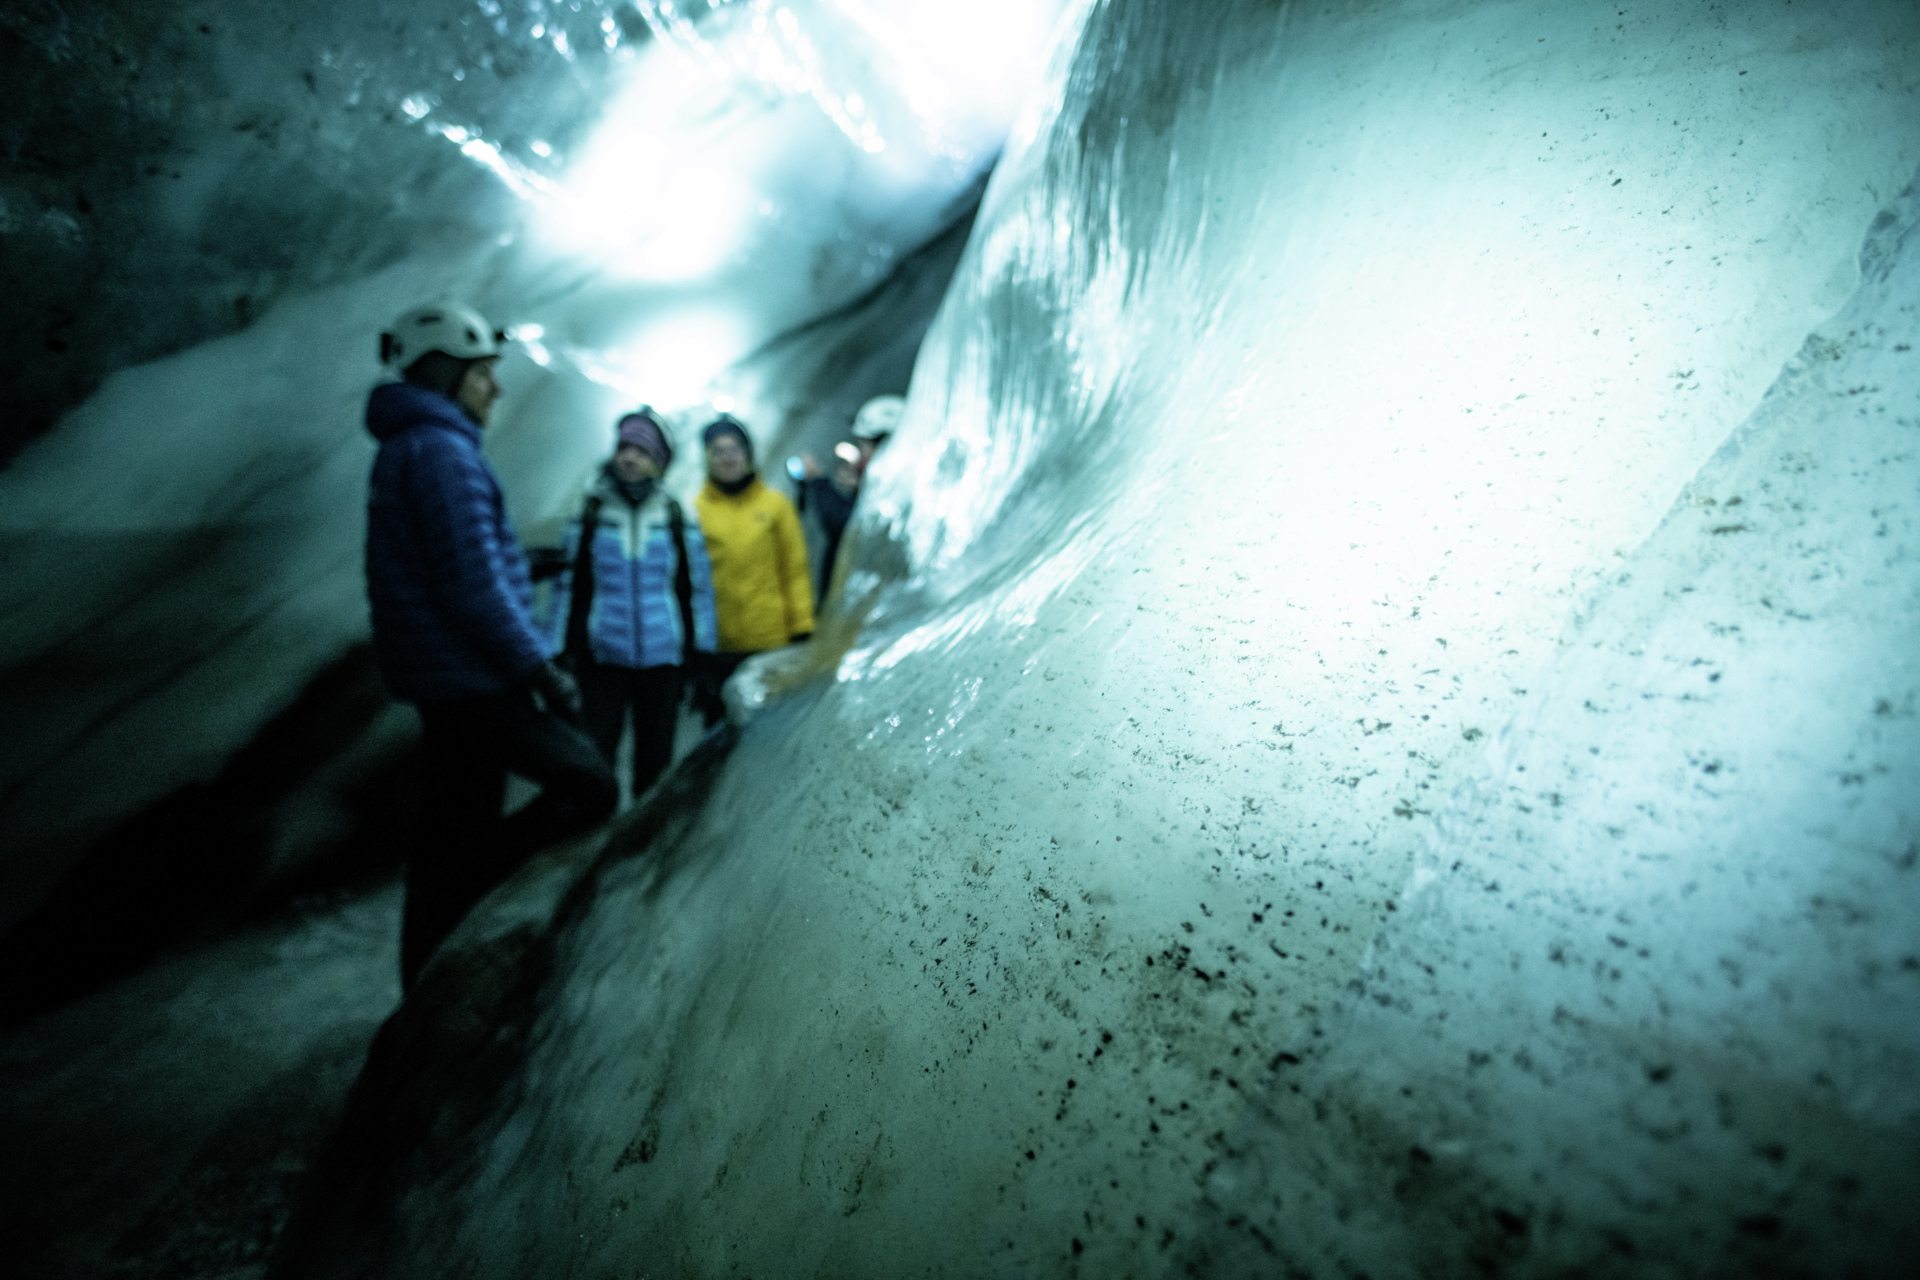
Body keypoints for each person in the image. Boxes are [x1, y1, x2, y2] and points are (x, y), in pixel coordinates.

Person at [365, 301, 617, 990]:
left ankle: (425, 984)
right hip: (472, 681)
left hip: (445, 680)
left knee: (450, 832)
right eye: (482, 374)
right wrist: (543, 670)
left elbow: (449, 562)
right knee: (588, 783)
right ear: (447, 374)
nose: (495, 388)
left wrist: (519, 562)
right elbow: (472, 590)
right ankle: (469, 912)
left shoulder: (412, 448)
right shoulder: (443, 454)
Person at [537, 408, 718, 801]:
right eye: (624, 449)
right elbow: (567, 586)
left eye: (642, 451)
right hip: (603, 660)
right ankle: (594, 844)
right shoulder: (590, 512)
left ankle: (640, 850)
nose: (630, 458)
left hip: (662, 662)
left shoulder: (675, 513)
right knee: (596, 762)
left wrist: (703, 653)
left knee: (655, 767)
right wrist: (556, 650)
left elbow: (697, 587)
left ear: (658, 460)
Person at [691, 413, 813, 723]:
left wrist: (802, 627)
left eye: (734, 449)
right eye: (717, 451)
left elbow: (794, 569)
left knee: (770, 732)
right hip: (718, 646)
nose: (727, 458)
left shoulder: (776, 506)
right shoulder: (694, 511)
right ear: (706, 458)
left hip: (770, 641)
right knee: (720, 735)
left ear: (747, 454)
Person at [795, 394, 902, 602]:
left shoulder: (897, 492)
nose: (862, 453)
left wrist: (818, 483)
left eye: (865, 444)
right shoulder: (887, 486)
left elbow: (849, 529)